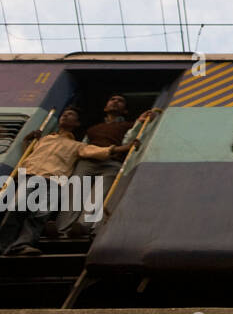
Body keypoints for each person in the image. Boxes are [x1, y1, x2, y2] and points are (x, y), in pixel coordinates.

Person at [0, 109, 131, 255]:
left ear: (76, 124)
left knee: (39, 216)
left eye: (71, 115)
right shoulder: (44, 139)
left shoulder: (77, 146)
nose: (65, 115)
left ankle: (22, 245)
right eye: (64, 114)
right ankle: (3, 245)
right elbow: (29, 155)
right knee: (17, 208)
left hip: (56, 182)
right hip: (31, 175)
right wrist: (26, 141)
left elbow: (100, 151)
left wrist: (125, 147)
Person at [53, 96, 158, 235]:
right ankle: (62, 228)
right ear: (105, 107)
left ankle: (82, 226)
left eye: (120, 101)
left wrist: (139, 122)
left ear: (125, 110)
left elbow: (128, 141)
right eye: (112, 100)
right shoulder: (93, 129)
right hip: (87, 162)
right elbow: (82, 147)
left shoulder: (130, 125)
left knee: (99, 194)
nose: (115, 102)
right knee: (75, 192)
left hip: (112, 162)